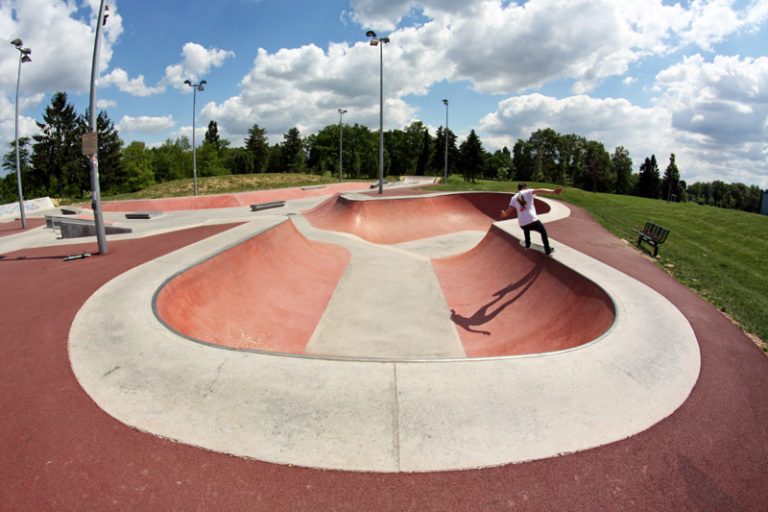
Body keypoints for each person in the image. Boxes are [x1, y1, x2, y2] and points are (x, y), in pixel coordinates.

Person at [500, 183, 561, 255]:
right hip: (532, 220)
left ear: (518, 188)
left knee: (526, 228)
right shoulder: (528, 191)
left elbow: (508, 211)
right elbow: (540, 190)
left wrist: (504, 214)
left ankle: (528, 244)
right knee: (543, 232)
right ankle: (547, 250)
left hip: (522, 223)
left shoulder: (513, 198)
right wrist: (553, 191)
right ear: (525, 187)